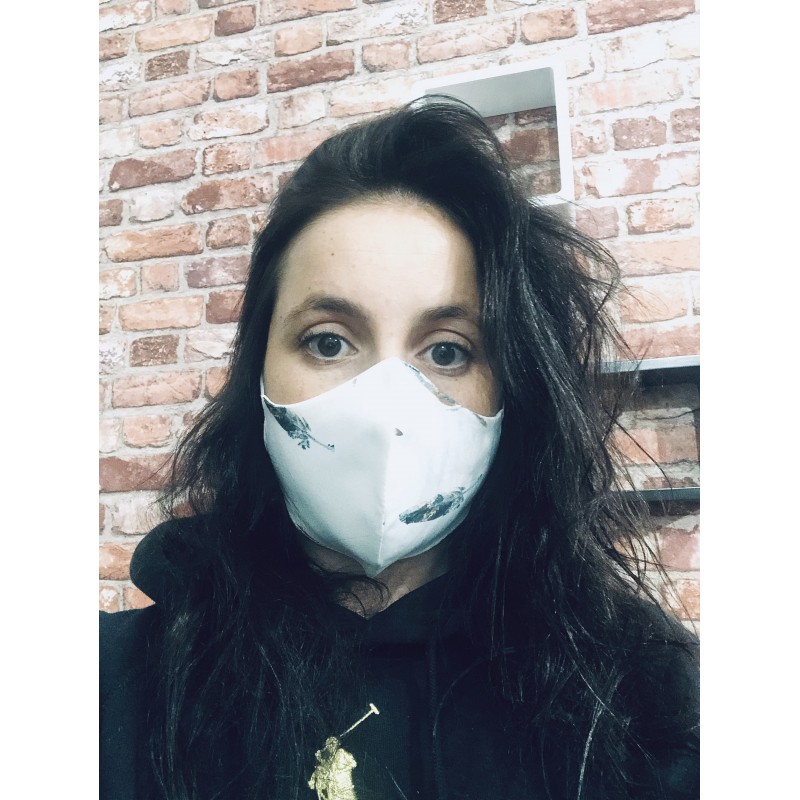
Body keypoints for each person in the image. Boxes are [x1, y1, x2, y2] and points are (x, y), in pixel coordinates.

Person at [100, 98, 699, 800]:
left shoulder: (647, 708)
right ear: (257, 373)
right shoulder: (110, 690)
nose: (386, 411)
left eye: (447, 351)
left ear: (514, 390)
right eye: (329, 342)